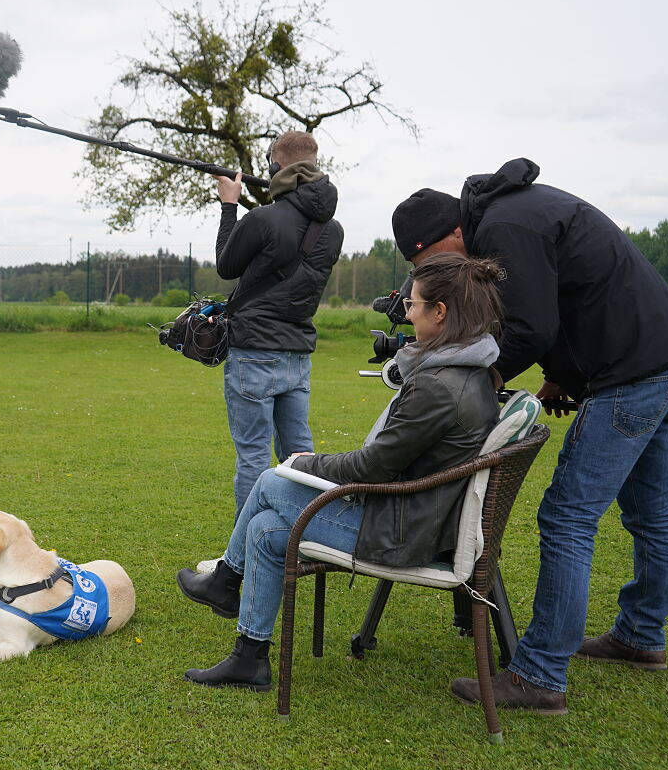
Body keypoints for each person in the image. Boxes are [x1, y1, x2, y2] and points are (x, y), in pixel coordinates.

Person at [391, 158, 668, 714]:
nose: (441, 269)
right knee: (650, 511)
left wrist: (477, 376)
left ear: (457, 232)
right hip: (661, 361)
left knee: (567, 516)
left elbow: (532, 327)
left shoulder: (506, 227)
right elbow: (565, 300)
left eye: (438, 257)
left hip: (629, 374)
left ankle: (539, 675)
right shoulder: (514, 213)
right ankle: (640, 635)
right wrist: (561, 375)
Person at [176, 253, 505, 690]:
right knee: (266, 529)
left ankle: (225, 580)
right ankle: (249, 657)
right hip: (418, 515)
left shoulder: (440, 386)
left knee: (273, 479)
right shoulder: (472, 371)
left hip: (402, 532)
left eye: (413, 305)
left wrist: (306, 463)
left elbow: (372, 466)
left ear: (439, 313)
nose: (406, 313)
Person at [198, 131, 344, 572]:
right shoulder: (333, 230)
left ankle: (241, 560)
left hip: (254, 353)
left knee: (254, 458)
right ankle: (309, 541)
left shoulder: (264, 218)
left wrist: (229, 204)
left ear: (277, 167)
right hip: (297, 355)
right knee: (301, 454)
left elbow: (227, 264)